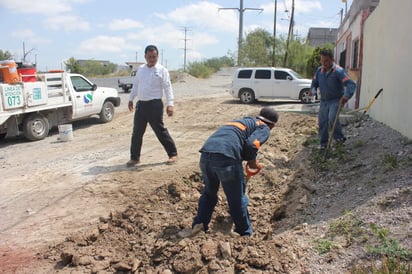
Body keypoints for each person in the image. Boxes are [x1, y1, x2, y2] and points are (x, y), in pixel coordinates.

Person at [192, 107, 279, 236]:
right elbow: (251, 145)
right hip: (226, 159)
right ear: (272, 126)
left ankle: (199, 226)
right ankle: (245, 234)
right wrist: (253, 162)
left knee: (209, 194)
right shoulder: (264, 127)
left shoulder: (245, 121)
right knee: (237, 199)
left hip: (205, 156)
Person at [127, 45, 178, 167]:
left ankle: (172, 154)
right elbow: (136, 85)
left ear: (157, 57)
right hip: (141, 106)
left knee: (160, 131)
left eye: (154, 57)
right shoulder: (141, 69)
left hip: (155, 105)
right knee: (137, 132)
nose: (152, 59)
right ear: (145, 57)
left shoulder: (162, 70)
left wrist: (170, 104)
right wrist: (130, 99)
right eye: (149, 57)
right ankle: (134, 158)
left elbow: (167, 87)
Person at [310, 49, 356, 149]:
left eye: (326, 61)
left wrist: (346, 96)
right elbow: (314, 83)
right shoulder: (319, 71)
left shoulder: (338, 71)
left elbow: (350, 84)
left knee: (332, 119)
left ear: (332, 60)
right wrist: (312, 91)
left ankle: (339, 140)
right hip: (324, 101)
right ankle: (324, 144)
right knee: (322, 121)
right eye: (322, 61)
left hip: (336, 100)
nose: (323, 63)